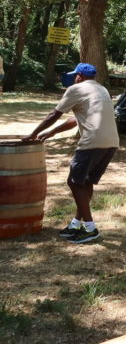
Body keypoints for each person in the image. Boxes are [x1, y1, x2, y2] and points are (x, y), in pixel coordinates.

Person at [24, 63, 118, 243]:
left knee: (74, 182)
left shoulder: (76, 89)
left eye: (76, 75)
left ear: (80, 76)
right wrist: (52, 132)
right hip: (111, 143)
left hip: (92, 142)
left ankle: (90, 228)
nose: (74, 78)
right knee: (86, 181)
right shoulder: (101, 90)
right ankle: (76, 224)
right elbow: (75, 119)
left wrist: (34, 133)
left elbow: (54, 114)